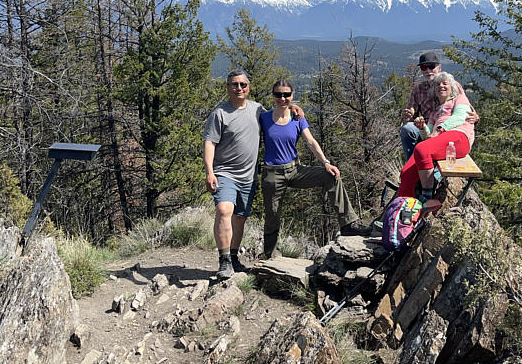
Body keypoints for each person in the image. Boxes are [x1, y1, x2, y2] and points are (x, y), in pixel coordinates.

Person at [260, 80, 371, 259]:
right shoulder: (264, 117)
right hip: (272, 173)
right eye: (278, 94)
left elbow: (311, 142)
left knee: (330, 176)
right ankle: (270, 255)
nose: (282, 98)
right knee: (272, 215)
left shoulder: (297, 118)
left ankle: (348, 223)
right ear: (273, 96)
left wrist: (326, 162)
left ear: (292, 96)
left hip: (295, 170)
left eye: (286, 94)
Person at [203, 70, 263, 279]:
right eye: (234, 84)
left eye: (243, 84)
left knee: (239, 218)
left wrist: (292, 108)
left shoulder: (257, 110)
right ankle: (224, 261)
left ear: (248, 87)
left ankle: (234, 258)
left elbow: (277, 118)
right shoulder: (219, 113)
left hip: (248, 176)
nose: (239, 88)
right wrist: (210, 172)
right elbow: (209, 143)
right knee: (224, 209)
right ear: (228, 87)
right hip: (224, 172)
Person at [397, 71, 475, 203]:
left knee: (421, 149)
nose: (441, 86)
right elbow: (429, 136)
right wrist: (422, 127)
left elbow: (460, 117)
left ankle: (427, 196)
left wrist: (440, 130)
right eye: (438, 85)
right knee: (406, 173)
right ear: (434, 91)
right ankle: (403, 208)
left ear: (452, 88)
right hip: (441, 141)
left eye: (445, 83)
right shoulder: (435, 112)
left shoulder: (459, 99)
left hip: (459, 137)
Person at [400, 52, 478, 161]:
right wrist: (407, 117)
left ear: (439, 68)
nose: (428, 71)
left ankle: (430, 167)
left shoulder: (453, 84)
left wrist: (476, 117)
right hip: (426, 127)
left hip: (449, 127)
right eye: (424, 67)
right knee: (407, 128)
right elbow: (411, 115)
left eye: (431, 66)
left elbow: (465, 109)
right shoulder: (418, 90)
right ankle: (412, 162)